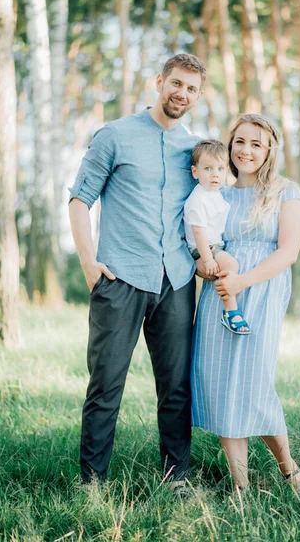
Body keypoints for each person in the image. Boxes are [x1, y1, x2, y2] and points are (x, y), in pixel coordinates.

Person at [68, 53, 206, 495]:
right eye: (176, 83)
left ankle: (176, 478)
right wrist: (90, 263)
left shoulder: (196, 149)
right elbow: (79, 200)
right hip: (120, 276)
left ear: (198, 96)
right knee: (106, 384)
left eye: (191, 89)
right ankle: (92, 483)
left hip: (178, 280)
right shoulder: (115, 136)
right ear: (159, 81)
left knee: (176, 387)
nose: (181, 94)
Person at [191, 114, 300, 496]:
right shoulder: (217, 191)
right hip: (220, 296)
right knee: (224, 385)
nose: (246, 150)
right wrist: (206, 266)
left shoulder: (285, 191)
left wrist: (243, 280)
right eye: (239, 141)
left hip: (260, 291)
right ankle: (240, 485)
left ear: (269, 151)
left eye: (256, 144)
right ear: (229, 145)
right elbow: (201, 246)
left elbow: (289, 252)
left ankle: (290, 471)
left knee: (254, 384)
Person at [183, 139, 250, 334]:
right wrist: (207, 259)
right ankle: (231, 312)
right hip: (203, 248)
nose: (215, 175)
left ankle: (230, 309)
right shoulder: (198, 199)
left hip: (213, 245)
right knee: (231, 265)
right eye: (208, 169)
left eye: (221, 169)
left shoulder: (215, 193)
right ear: (195, 172)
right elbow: (198, 232)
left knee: (230, 267)